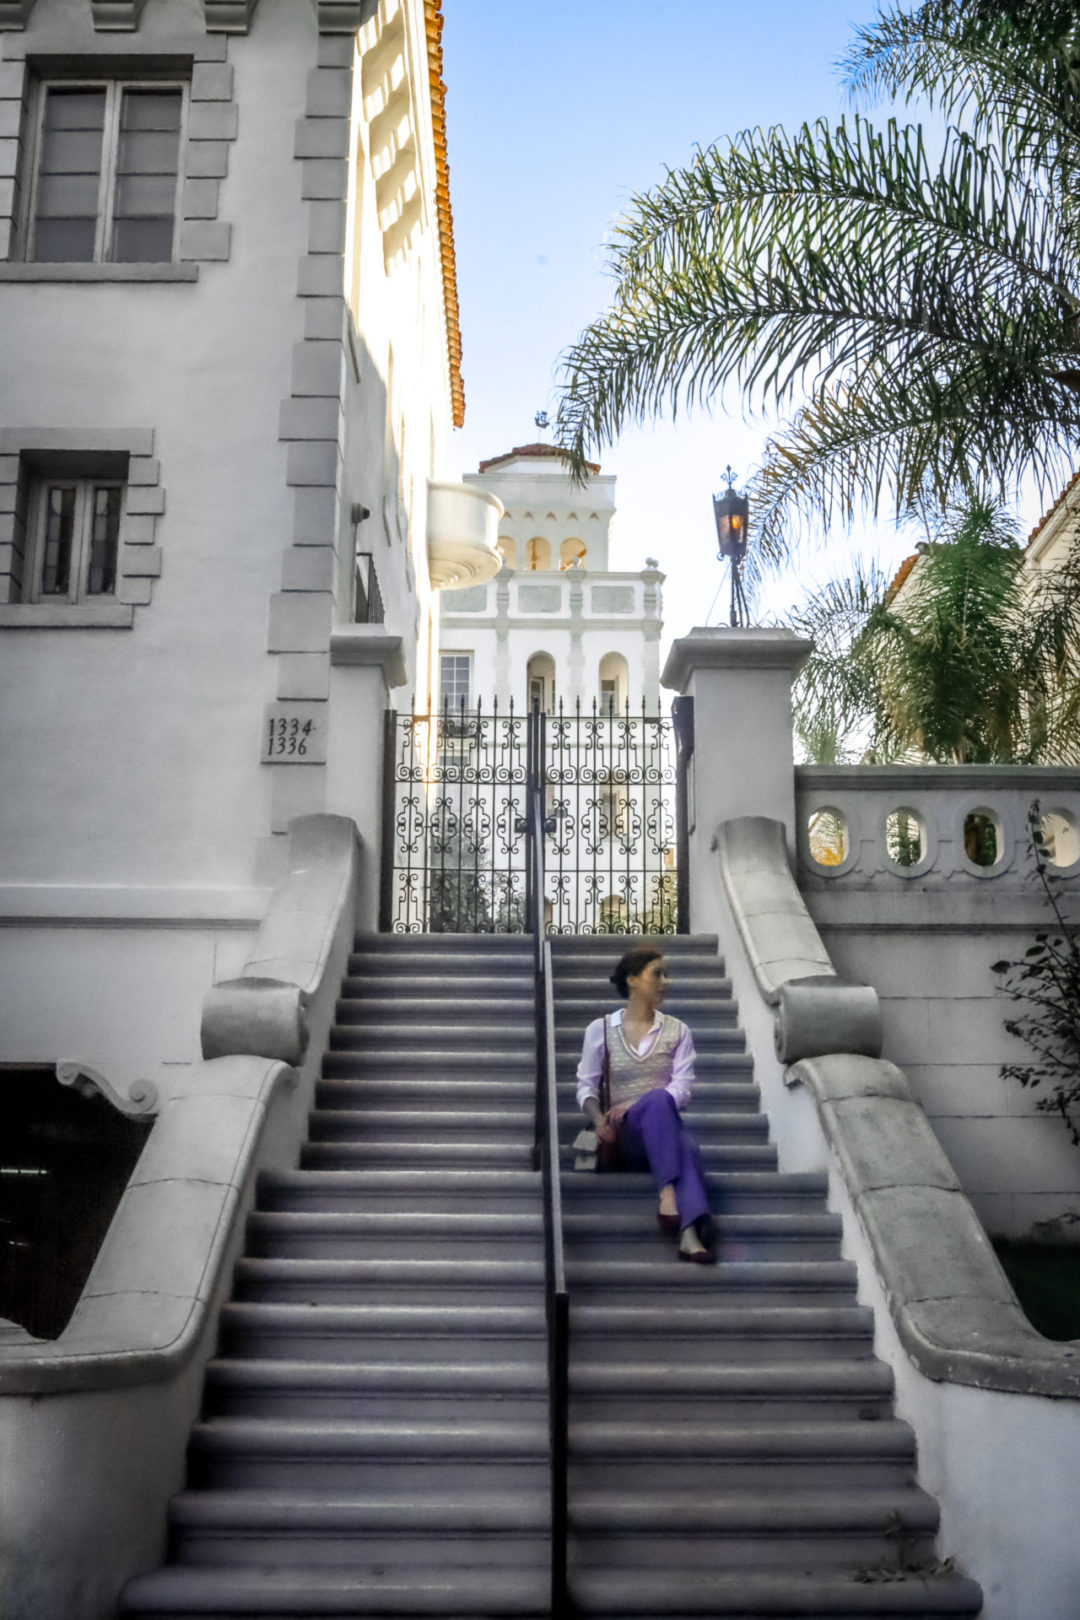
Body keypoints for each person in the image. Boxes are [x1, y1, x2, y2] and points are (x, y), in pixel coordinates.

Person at [576, 944, 714, 1263]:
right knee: (683, 1140)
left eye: (667, 975)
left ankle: (687, 1231)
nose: (665, 981)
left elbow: (682, 1089)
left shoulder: (679, 1031)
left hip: (662, 1132)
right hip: (624, 1138)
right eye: (657, 974)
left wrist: (642, 1100)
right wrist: (599, 1122)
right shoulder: (600, 1030)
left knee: (684, 1139)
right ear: (633, 980)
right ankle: (677, 1206)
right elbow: (585, 1087)